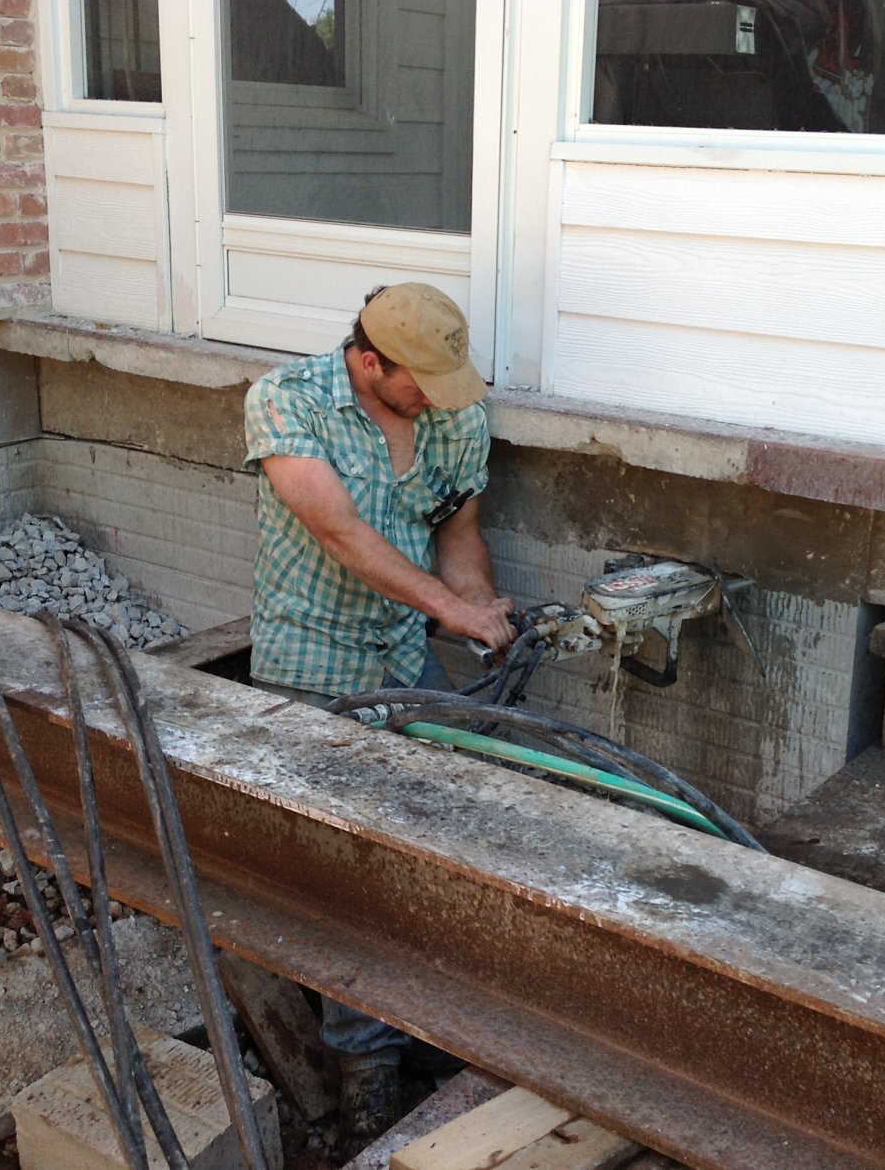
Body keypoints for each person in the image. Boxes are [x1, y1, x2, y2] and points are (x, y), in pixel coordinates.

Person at [242, 283, 516, 1153]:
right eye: (419, 383)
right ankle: (365, 1073)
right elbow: (338, 531)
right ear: (368, 361)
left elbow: (457, 528)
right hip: (309, 664)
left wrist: (476, 605)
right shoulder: (287, 401)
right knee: (347, 871)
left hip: (405, 664)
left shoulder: (454, 414)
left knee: (428, 845)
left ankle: (419, 1029)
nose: (436, 398)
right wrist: (448, 606)